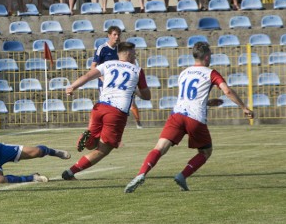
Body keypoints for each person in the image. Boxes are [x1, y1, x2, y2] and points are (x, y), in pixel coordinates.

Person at [124, 41, 253, 193]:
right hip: (195, 118)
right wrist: (244, 107)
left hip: (177, 115)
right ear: (206, 57)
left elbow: (188, 98)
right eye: (210, 55)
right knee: (206, 152)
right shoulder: (211, 72)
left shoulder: (184, 73)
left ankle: (141, 174)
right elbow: (227, 91)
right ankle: (182, 175)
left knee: (160, 147)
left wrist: (208, 102)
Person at [61, 42, 150, 180]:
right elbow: (146, 96)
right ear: (128, 53)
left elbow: (87, 76)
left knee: (94, 145)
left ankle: (89, 137)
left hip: (99, 107)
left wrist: (72, 87)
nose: (135, 55)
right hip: (116, 112)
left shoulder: (108, 64)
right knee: (103, 150)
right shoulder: (137, 70)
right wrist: (135, 89)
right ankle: (70, 172)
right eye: (134, 53)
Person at [92, 26, 143, 129]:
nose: (117, 37)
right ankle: (103, 126)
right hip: (105, 84)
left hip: (121, 83)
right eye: (114, 34)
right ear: (109, 35)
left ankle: (138, 123)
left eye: (118, 34)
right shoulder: (102, 49)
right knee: (106, 105)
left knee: (130, 102)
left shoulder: (121, 49)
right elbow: (93, 66)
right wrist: (103, 79)